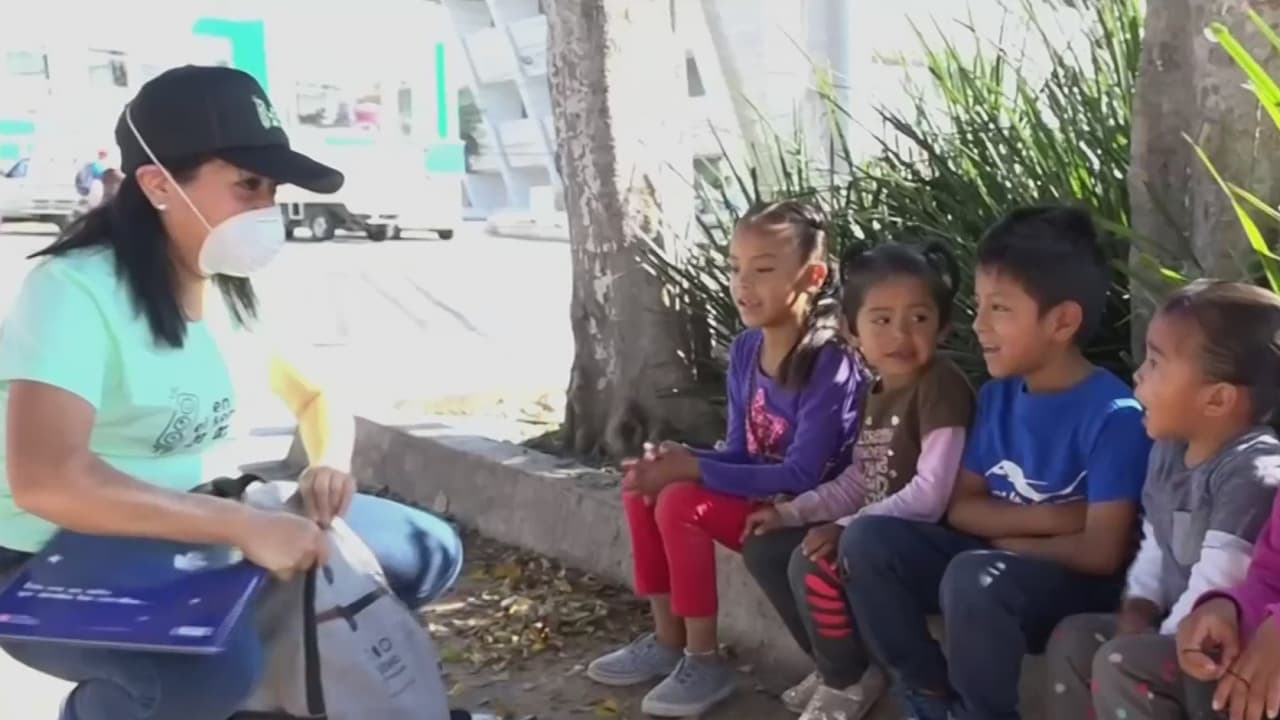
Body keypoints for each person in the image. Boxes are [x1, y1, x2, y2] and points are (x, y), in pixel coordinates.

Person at [0, 66, 463, 720]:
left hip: (202, 521)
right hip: (51, 551)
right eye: (248, 185)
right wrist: (244, 526)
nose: (266, 209)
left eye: (271, 190)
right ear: (158, 185)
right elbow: (48, 480)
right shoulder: (72, 290)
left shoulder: (231, 282)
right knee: (209, 671)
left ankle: (265, 694)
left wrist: (328, 463)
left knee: (427, 552)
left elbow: (317, 393)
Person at [839, 205, 1152, 720]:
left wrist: (1006, 541)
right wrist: (1056, 518)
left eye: (999, 308)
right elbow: (962, 507)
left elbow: (1100, 552)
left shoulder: (1113, 417)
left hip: (1066, 587)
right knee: (868, 540)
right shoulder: (997, 397)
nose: (979, 324)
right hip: (989, 565)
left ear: (1062, 321)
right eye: (980, 305)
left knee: (973, 574)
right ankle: (927, 695)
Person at [585, 200, 865, 718]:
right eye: (735, 268)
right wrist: (678, 458)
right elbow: (739, 449)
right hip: (757, 497)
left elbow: (803, 474)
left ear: (813, 277)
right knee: (642, 485)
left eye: (763, 269)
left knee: (680, 502)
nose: (743, 284)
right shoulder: (744, 350)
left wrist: (692, 470)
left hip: (805, 513)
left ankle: (704, 660)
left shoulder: (829, 363)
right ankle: (667, 640)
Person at [740, 239, 975, 720]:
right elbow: (860, 479)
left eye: (919, 318)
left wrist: (845, 527)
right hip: (872, 537)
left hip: (927, 547)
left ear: (943, 326)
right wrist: (791, 512)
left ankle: (856, 683)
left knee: (815, 560)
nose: (901, 334)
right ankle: (837, 667)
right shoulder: (877, 391)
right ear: (852, 330)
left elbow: (931, 494)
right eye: (881, 320)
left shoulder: (940, 386)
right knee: (766, 547)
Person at [1045, 280, 1280, 720]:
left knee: (1123, 662)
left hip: (1217, 642)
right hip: (1189, 624)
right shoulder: (1168, 451)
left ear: (1217, 398)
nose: (1138, 374)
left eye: (1155, 362)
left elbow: (1222, 577)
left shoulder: (1252, 472)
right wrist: (1139, 606)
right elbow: (1156, 542)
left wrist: (1164, 635)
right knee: (1075, 637)